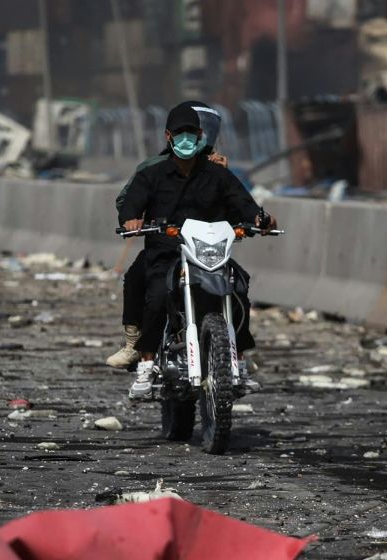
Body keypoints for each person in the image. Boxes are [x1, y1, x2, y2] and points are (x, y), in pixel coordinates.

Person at [117, 102, 276, 399]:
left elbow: (244, 203)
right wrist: (131, 219)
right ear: (168, 136)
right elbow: (130, 204)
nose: (186, 139)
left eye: (191, 132)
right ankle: (147, 366)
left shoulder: (218, 174)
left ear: (201, 134)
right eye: (180, 133)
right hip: (167, 253)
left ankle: (238, 363)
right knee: (157, 295)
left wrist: (259, 219)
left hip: (209, 252)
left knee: (238, 289)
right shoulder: (152, 173)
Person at [106, 101, 227, 369]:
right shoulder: (155, 167)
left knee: (235, 284)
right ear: (170, 135)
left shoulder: (216, 168)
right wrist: (135, 218)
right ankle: (133, 343)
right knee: (137, 278)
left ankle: (234, 351)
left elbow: (234, 203)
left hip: (203, 246)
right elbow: (126, 200)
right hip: (165, 244)